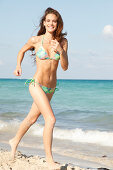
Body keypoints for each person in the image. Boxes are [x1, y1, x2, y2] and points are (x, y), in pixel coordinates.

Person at [9, 7, 68, 169]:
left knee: (32, 119)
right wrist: (17, 66)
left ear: (58, 24)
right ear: (44, 22)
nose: (51, 23)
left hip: (51, 88)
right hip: (36, 84)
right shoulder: (35, 40)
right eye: (48, 20)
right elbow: (21, 51)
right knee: (50, 119)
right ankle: (49, 160)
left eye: (54, 21)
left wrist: (61, 51)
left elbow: (65, 67)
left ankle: (14, 141)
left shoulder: (62, 42)